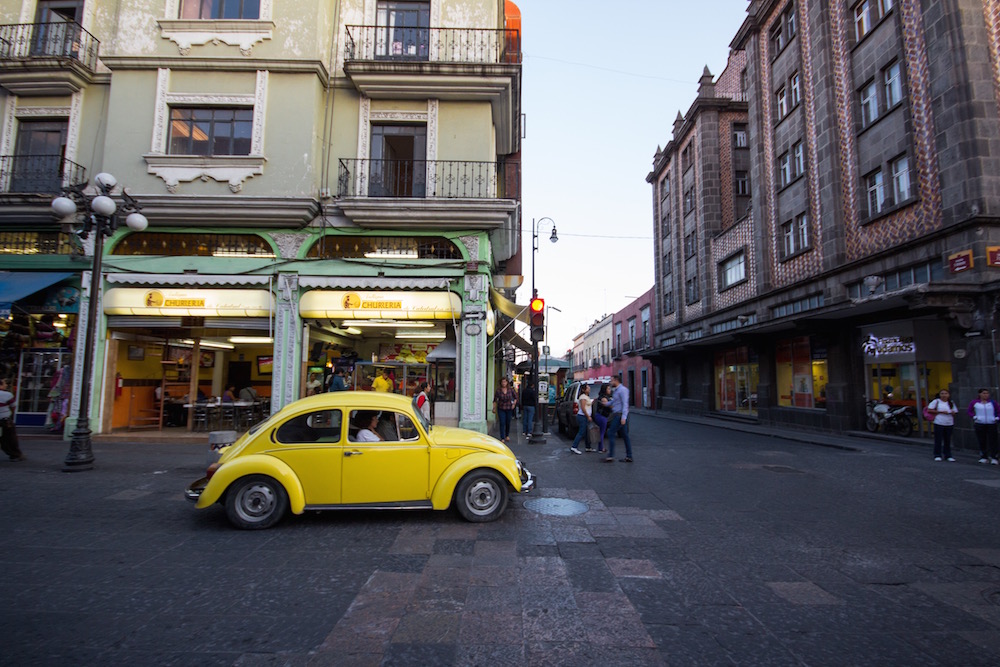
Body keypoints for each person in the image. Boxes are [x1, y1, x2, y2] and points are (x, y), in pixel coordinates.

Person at [603, 375, 633, 463]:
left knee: (611, 432)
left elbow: (625, 404)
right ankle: (629, 456)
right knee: (625, 436)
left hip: (619, 415)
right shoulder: (616, 390)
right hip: (617, 414)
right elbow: (614, 401)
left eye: (612, 381)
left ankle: (611, 455)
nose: (610, 382)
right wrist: (606, 404)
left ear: (616, 380)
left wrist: (624, 417)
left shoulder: (623, 390)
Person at [968, 388, 1000, 464]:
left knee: (993, 441)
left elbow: (998, 410)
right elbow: (969, 411)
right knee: (982, 440)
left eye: (987, 393)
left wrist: (997, 418)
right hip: (980, 423)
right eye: (983, 393)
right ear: (979, 394)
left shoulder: (992, 402)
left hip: (991, 423)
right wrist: (974, 417)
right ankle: (984, 456)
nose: (985, 395)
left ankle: (994, 457)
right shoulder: (975, 402)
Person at [926, 389, 958, 461]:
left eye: (946, 393)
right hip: (939, 422)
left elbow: (955, 412)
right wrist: (940, 412)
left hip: (949, 423)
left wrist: (952, 412)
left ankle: (948, 455)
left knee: (947, 440)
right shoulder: (936, 401)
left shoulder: (951, 403)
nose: (944, 395)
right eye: (942, 393)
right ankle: (937, 454)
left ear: (948, 395)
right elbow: (929, 410)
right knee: (938, 439)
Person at [0, 378, 25, 462]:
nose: (6, 385)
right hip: (5, 418)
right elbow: (13, 405)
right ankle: (15, 454)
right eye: (4, 383)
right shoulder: (7, 395)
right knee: (9, 438)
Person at [492, 377, 517, 442]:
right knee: (502, 422)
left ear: (507, 383)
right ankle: (502, 437)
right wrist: (494, 408)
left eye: (505, 382)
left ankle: (507, 435)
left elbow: (515, 397)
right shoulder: (498, 390)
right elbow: (495, 400)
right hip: (501, 408)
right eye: (502, 382)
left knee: (508, 422)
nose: (504, 383)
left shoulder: (510, 390)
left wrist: (514, 404)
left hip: (509, 408)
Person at [570, 383, 592, 455]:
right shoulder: (583, 397)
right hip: (582, 416)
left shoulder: (586, 396)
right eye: (588, 388)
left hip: (584, 416)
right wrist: (588, 416)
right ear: (583, 389)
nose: (589, 389)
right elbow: (583, 408)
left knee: (586, 432)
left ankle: (588, 446)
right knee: (581, 432)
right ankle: (574, 446)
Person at [592, 383, 612, 453]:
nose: (610, 390)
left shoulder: (603, 397)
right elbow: (610, 406)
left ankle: (601, 447)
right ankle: (601, 448)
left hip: (601, 416)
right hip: (602, 417)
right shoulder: (603, 398)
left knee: (602, 432)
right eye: (608, 389)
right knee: (602, 432)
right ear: (605, 390)